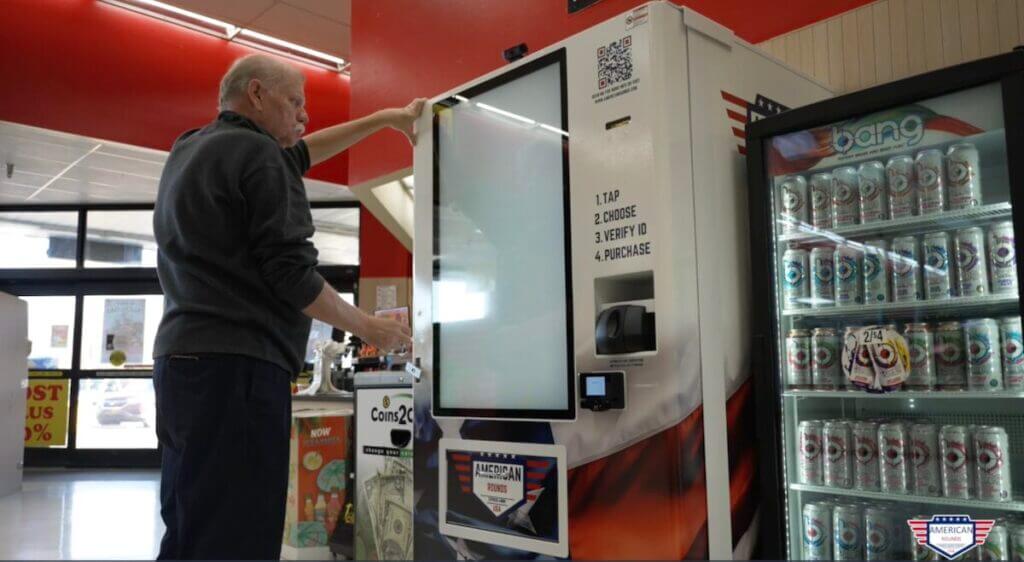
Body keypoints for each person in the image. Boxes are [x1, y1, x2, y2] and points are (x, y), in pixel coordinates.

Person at [151, 53, 422, 560]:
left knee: (192, 519)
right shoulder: (258, 156)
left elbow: (300, 153)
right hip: (239, 369)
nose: (304, 115)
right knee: (241, 528)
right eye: (295, 101)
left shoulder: (192, 148)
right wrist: (370, 328)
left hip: (182, 365)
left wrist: (386, 119)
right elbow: (291, 276)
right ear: (256, 94)